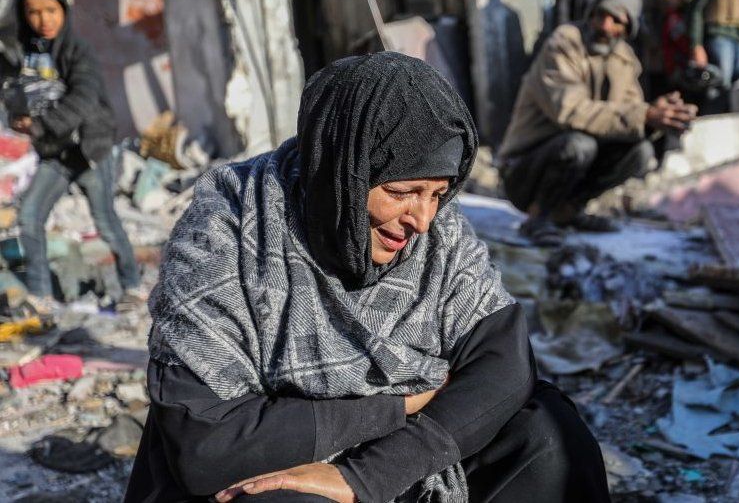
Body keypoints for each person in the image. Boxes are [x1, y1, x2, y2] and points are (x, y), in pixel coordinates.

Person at [123, 52, 611, 503]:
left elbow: (505, 365)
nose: (422, 219)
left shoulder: (437, 232)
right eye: (402, 191)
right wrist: (393, 409)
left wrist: (370, 474)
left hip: (387, 453)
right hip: (273, 464)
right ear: (341, 171)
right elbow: (208, 444)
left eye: (438, 193)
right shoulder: (228, 231)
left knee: (549, 435)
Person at [498, 0, 697, 246]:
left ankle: (567, 211)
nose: (605, 26)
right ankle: (539, 217)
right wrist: (644, 115)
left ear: (627, 29)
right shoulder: (564, 43)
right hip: (524, 172)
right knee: (580, 145)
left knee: (640, 152)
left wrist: (658, 114)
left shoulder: (624, 59)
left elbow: (629, 116)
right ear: (590, 14)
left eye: (616, 21)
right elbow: (571, 110)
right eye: (601, 15)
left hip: (572, 158)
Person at [0, 0, 140, 310]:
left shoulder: (78, 51)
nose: (43, 20)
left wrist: (40, 125)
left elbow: (84, 99)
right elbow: (14, 95)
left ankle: (132, 287)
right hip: (54, 154)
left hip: (88, 150)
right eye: (33, 12)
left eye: (50, 10)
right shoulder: (22, 55)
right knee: (30, 216)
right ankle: (40, 295)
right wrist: (19, 119)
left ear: (63, 10)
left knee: (105, 220)